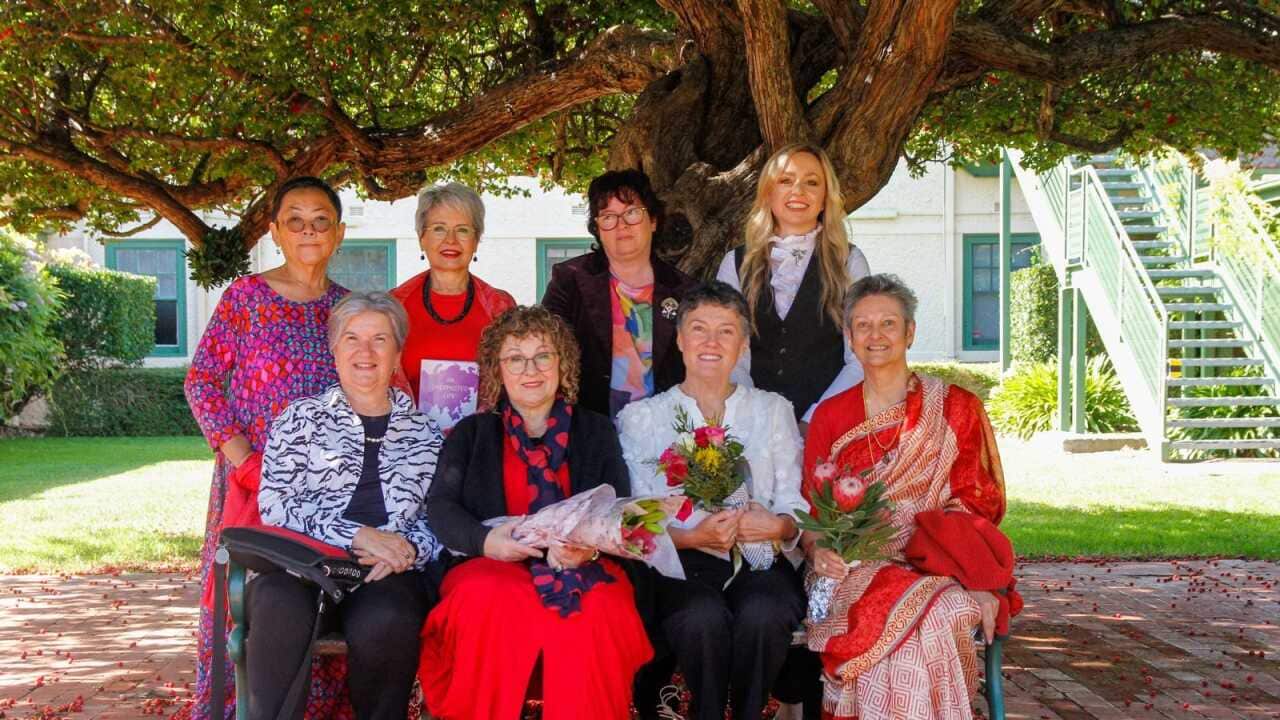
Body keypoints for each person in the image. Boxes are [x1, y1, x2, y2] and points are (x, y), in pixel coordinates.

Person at [419, 306, 652, 720]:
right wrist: (486, 541)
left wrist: (589, 552)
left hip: (582, 562)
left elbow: (619, 508)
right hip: (492, 562)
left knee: (596, 609)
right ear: (498, 369)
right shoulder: (472, 433)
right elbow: (440, 507)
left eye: (543, 355)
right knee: (488, 601)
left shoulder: (596, 430)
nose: (531, 370)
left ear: (562, 364)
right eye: (515, 358)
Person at [803, 274, 1014, 720]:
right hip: (853, 569)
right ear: (849, 337)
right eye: (863, 325)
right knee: (910, 617)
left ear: (910, 332)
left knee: (947, 612)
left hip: (937, 562)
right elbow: (814, 515)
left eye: (888, 324)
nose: (875, 336)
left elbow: (977, 502)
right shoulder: (830, 415)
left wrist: (974, 575)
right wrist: (820, 551)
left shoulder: (953, 407)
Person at [185, 176, 350, 719]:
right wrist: (244, 461)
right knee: (252, 604)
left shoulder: (349, 309)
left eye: (321, 219)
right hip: (249, 481)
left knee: (314, 595)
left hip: (326, 491)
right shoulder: (246, 299)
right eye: (295, 219)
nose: (309, 229)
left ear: (339, 233)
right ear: (276, 231)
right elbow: (202, 381)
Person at [618, 281, 808, 720]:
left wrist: (779, 526)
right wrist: (688, 536)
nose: (711, 342)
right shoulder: (643, 418)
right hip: (681, 565)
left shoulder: (771, 409)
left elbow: (793, 501)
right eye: (699, 329)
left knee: (765, 613)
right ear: (680, 339)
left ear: (742, 344)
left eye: (726, 331)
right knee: (700, 619)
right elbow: (636, 517)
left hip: (760, 558)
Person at [249, 291, 442, 720]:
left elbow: (440, 518)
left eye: (380, 339)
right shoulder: (300, 419)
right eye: (352, 338)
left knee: (388, 619)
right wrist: (355, 534)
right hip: (301, 567)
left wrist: (407, 551)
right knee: (277, 605)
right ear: (334, 349)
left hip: (385, 573)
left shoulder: (426, 433)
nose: (365, 352)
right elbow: (276, 505)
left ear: (397, 353)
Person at [715, 142, 871, 430]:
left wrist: (815, 420)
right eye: (786, 181)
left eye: (812, 182)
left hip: (829, 426)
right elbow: (730, 352)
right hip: (753, 427)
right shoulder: (735, 263)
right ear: (768, 193)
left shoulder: (849, 261)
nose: (798, 191)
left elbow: (861, 356)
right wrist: (758, 415)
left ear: (825, 198)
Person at [542, 169, 697, 419]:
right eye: (608, 216)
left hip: (664, 434)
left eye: (632, 212)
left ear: (654, 220)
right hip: (589, 431)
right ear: (597, 227)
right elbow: (545, 352)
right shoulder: (569, 279)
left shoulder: (686, 290)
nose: (621, 225)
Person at [390, 182, 516, 429]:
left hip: (479, 443)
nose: (450, 240)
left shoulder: (501, 307)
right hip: (403, 446)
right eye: (439, 229)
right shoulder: (392, 307)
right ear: (421, 238)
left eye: (463, 230)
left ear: (476, 240)